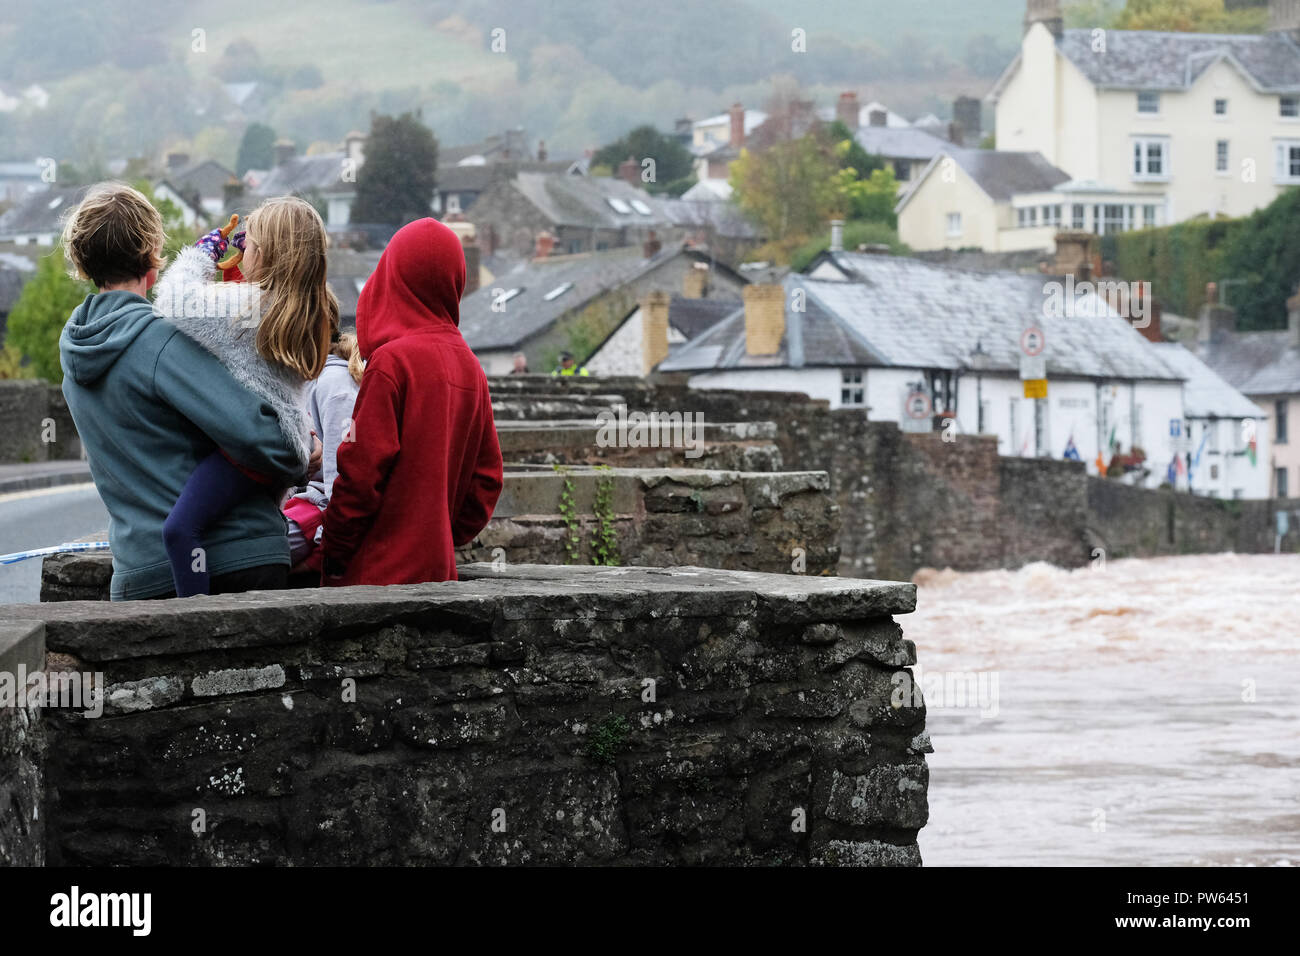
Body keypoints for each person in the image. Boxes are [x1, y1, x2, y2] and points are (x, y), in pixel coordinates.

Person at [58, 183, 317, 601]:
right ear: (152, 255)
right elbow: (266, 438)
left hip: (138, 574)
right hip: (233, 560)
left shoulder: (73, 353)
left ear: (83, 264)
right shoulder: (160, 341)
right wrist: (304, 448)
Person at [150, 196, 335, 596]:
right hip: (287, 447)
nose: (241, 249)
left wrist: (202, 253)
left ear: (266, 253)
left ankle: (195, 623)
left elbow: (173, 301)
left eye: (248, 243)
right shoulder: (310, 307)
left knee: (180, 530)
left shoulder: (250, 308)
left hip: (249, 451)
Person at [321, 218, 503, 586]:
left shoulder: (391, 363)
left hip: (373, 577)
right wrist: (436, 536)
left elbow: (359, 472)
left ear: (393, 274)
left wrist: (334, 554)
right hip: (438, 576)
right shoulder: (471, 366)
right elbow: (486, 480)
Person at [283, 322, 363, 573]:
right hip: (295, 504)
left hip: (314, 515)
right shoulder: (305, 379)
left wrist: (321, 554)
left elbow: (342, 479)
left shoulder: (336, 387)